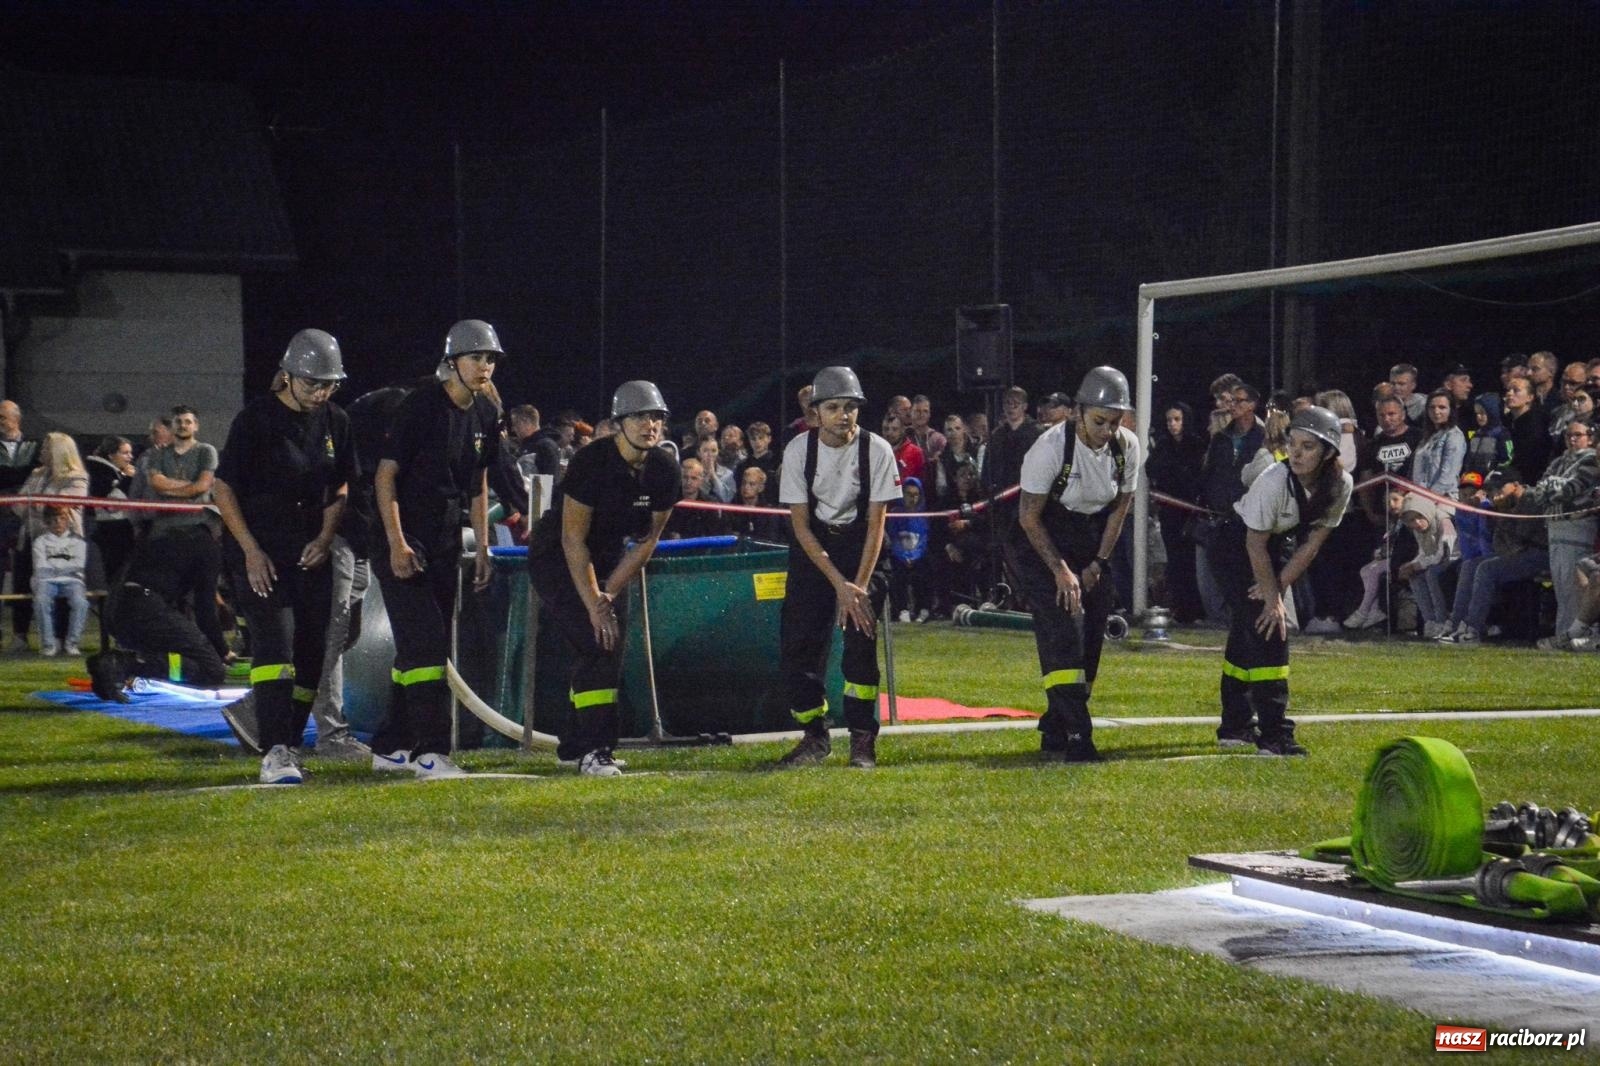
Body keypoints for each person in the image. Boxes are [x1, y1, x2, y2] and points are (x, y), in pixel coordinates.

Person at [212, 329, 357, 785]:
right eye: (313, 383)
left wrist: (326, 535)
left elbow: (341, 487)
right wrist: (250, 550)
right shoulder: (254, 420)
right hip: (260, 548)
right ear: (288, 376)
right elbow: (224, 488)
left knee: (313, 652)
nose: (321, 392)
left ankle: (289, 743)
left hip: (310, 549)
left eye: (329, 384)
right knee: (274, 644)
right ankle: (273, 748)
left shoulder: (337, 421)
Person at [368, 320, 500, 779]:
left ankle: (390, 744)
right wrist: (397, 544)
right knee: (426, 646)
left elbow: (479, 483)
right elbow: (385, 477)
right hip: (404, 537)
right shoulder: (420, 406)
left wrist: (482, 547)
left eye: (490, 359)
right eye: (476, 357)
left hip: (446, 540)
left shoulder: (485, 413)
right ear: (452, 361)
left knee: (419, 652)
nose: (485, 366)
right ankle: (431, 752)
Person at [527, 380, 679, 776]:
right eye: (641, 416)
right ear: (619, 423)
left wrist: (609, 593)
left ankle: (576, 746)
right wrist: (595, 602)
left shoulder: (664, 469)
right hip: (559, 555)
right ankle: (596, 750)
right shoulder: (591, 462)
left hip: (610, 559)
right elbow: (572, 539)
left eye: (657, 417)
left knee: (609, 645)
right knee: (598, 644)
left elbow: (648, 540)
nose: (651, 425)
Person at [1011, 367, 1141, 762]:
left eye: (1115, 422)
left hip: (1093, 537)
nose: (1108, 431)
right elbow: (1029, 517)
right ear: (1078, 412)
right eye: (1100, 421)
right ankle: (1077, 737)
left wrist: (1099, 562)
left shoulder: (1127, 447)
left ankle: (1055, 725)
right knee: (1062, 631)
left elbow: (1121, 507)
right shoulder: (1049, 449)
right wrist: (1061, 570)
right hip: (1044, 537)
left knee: (1092, 636)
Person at [775, 366, 901, 769]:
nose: (844, 415)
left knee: (860, 643)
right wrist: (838, 585)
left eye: (851, 407)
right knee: (798, 644)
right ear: (816, 413)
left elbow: (877, 524)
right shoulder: (798, 450)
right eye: (833, 407)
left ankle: (863, 739)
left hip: (863, 549)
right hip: (816, 551)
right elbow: (799, 525)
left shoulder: (877, 449)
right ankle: (814, 735)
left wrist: (857, 588)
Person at [1212, 406, 1352, 756]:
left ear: (1329, 452)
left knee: (1250, 629)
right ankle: (1274, 735)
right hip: (1235, 545)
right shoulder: (1274, 480)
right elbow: (1253, 543)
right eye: (1293, 444)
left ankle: (1235, 725)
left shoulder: (1341, 484)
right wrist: (1273, 599)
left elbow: (1313, 544)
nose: (1297, 453)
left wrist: (1279, 585)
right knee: (1270, 628)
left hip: (1273, 547)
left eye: (1308, 447)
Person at [145, 406, 228, 661]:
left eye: (188, 421)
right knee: (168, 596)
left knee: (205, 596)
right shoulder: (157, 454)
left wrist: (176, 489)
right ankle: (175, 650)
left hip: (199, 531)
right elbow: (156, 484)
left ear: (196, 426)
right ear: (172, 426)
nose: (183, 425)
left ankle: (219, 651)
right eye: (178, 421)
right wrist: (189, 488)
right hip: (165, 533)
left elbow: (203, 486)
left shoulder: (206, 451)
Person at [13, 432, 90, 654]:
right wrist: (36, 505)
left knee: (65, 589)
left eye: (46, 448)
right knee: (24, 584)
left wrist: (37, 504)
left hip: (63, 544)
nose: (41, 452)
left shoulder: (76, 477)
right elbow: (19, 506)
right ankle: (21, 636)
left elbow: (56, 509)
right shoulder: (36, 474)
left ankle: (64, 638)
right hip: (31, 537)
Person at [1145, 401, 1207, 624]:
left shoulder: (1196, 445)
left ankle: (1196, 609)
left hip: (1190, 512)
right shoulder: (1163, 445)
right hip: (1170, 511)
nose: (1172, 424)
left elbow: (1195, 476)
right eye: (1169, 420)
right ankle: (1181, 608)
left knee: (1190, 561)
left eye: (1177, 419)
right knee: (1175, 561)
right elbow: (1151, 468)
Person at [30, 506, 90, 656]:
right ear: (47, 521)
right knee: (41, 601)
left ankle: (72, 643)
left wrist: (54, 565)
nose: (58, 522)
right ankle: (48, 644)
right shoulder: (40, 542)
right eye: (54, 519)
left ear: (68, 520)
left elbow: (79, 565)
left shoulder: (78, 542)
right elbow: (40, 567)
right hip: (46, 581)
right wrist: (65, 565)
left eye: (62, 518)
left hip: (73, 580)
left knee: (81, 603)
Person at [86, 436, 137, 584]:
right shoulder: (99, 473)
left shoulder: (115, 472)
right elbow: (110, 505)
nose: (130, 457)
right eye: (125, 453)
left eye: (130, 453)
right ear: (111, 455)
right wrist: (127, 480)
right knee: (116, 576)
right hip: (111, 531)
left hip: (122, 528)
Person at [1411, 389, 1467, 499]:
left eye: (1442, 407)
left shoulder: (1454, 436)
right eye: (1432, 407)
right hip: (1420, 495)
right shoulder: (1426, 438)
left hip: (1442, 499)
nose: (1436, 411)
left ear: (1451, 410)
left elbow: (1447, 477)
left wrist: (1427, 498)